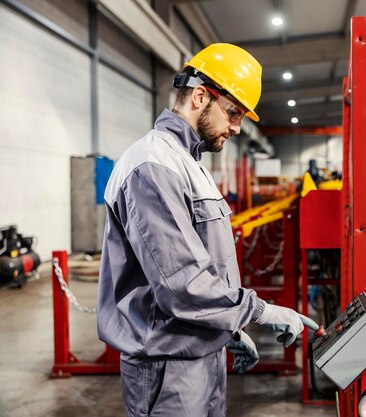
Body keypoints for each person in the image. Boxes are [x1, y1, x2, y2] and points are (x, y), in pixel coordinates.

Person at [97, 43, 318, 417]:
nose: (236, 127)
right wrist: (259, 312)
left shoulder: (188, 164)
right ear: (200, 96)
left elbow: (200, 266)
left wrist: (225, 331)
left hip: (198, 356)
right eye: (233, 112)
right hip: (167, 367)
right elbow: (181, 285)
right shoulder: (154, 165)